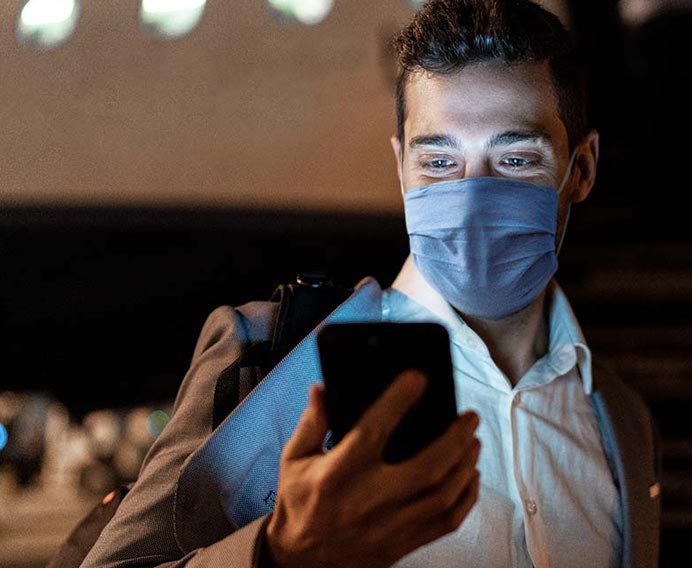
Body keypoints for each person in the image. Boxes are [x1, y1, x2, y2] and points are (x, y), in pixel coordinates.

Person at [81, 1, 659, 567]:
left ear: (582, 168)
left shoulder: (621, 423)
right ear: (401, 168)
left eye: (515, 160)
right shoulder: (267, 362)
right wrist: (282, 554)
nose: (471, 199)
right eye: (439, 163)